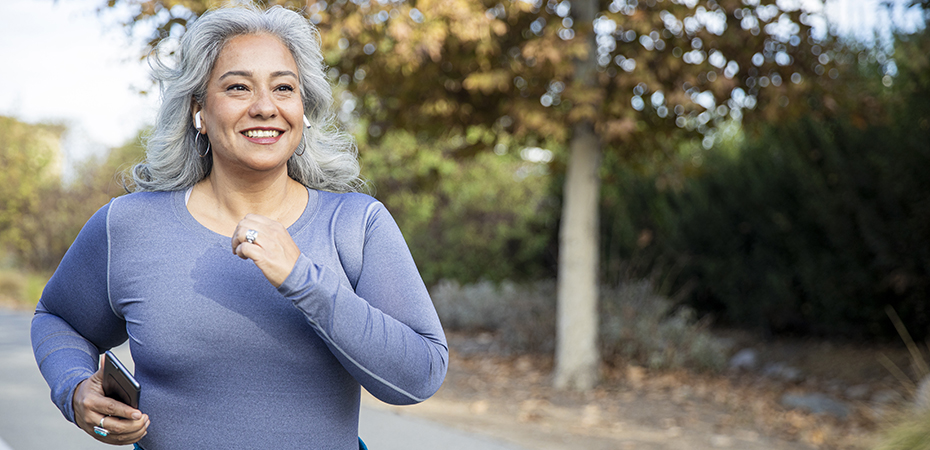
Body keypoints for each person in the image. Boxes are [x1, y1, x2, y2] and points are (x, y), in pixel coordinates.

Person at [30, 4, 448, 449]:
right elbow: (57, 318)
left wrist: (303, 281)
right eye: (238, 87)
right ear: (199, 111)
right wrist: (73, 387)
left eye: (284, 88)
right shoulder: (129, 225)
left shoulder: (357, 224)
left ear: (303, 110)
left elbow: (418, 378)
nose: (265, 107)